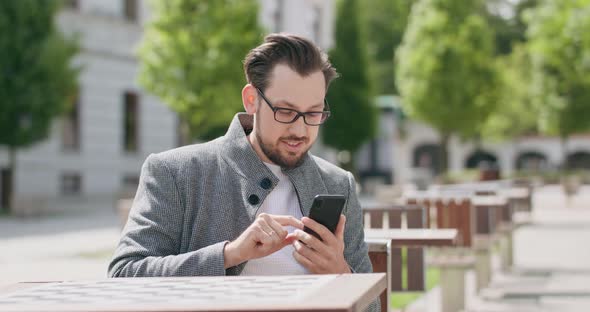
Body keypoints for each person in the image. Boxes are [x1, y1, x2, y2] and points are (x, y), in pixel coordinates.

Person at [108, 33, 378, 310]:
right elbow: (125, 274)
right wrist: (230, 254)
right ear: (252, 100)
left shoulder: (337, 183)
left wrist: (341, 273)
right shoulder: (176, 172)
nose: (300, 130)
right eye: (285, 111)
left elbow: (373, 306)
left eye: (313, 114)